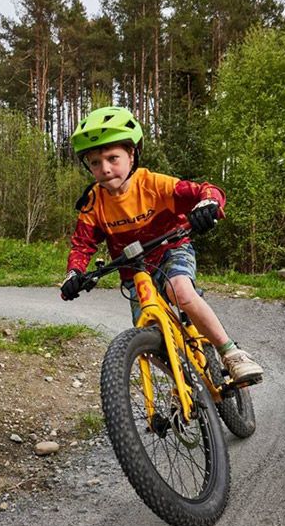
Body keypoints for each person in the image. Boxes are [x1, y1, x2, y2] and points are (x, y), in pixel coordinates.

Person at [59, 106, 264, 384]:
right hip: (133, 271)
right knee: (145, 332)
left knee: (179, 290)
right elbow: (82, 244)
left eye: (112, 158)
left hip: (171, 250)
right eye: (95, 162)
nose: (105, 169)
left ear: (131, 155)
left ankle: (231, 353)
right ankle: (186, 382)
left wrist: (208, 204)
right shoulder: (93, 203)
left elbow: (203, 190)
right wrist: (74, 274)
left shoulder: (153, 184)